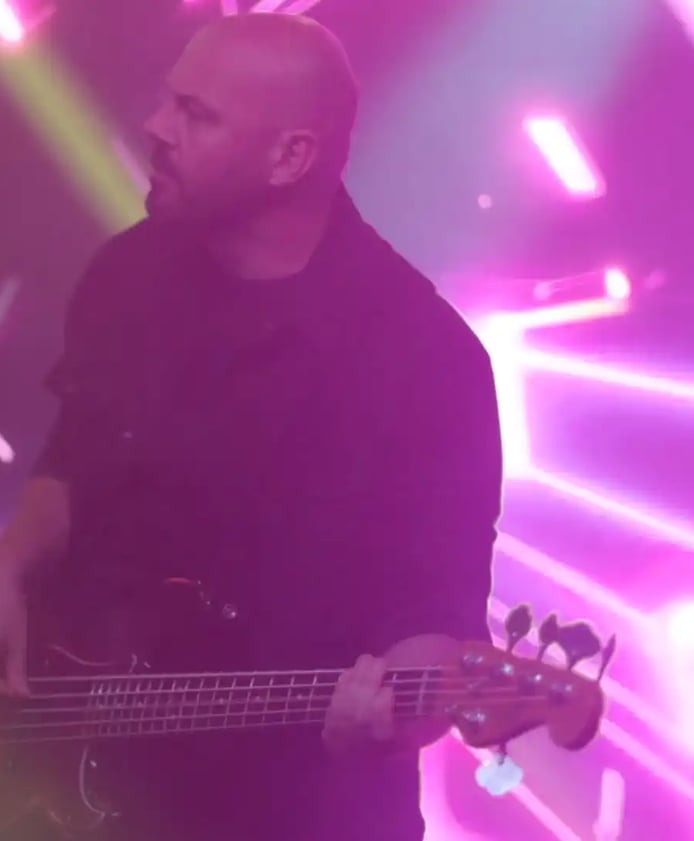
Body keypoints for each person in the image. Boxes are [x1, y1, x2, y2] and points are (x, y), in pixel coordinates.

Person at [0, 12, 502, 841]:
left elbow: (438, 627)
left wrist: (386, 711)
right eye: (170, 101)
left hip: (286, 811)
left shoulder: (425, 361)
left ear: (290, 156)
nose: (156, 128)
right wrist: (12, 559)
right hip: (71, 791)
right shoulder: (130, 270)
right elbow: (73, 461)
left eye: (196, 114)